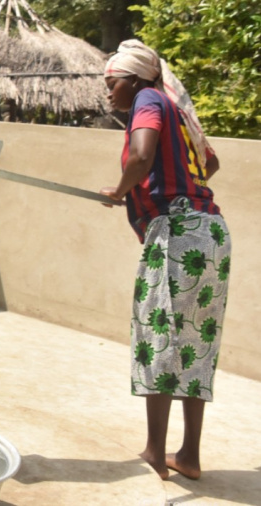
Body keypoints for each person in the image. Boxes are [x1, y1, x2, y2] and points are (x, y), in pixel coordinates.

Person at [100, 39, 229, 481]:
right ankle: (188, 455)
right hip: (210, 232)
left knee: (159, 335)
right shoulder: (177, 109)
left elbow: (141, 154)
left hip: (176, 233)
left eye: (112, 81)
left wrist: (120, 191)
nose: (108, 90)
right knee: (196, 341)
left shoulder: (148, 99)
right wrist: (159, 187)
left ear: (133, 79)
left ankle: (156, 452)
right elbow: (208, 164)